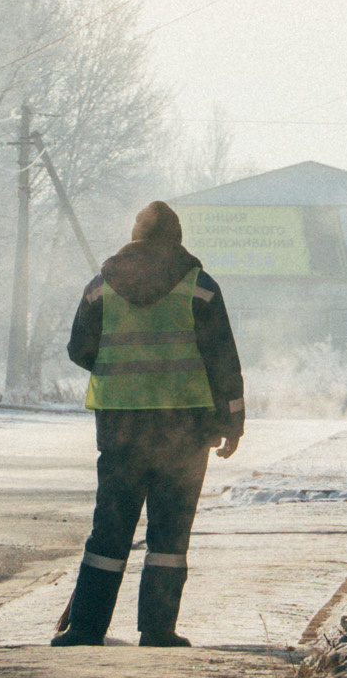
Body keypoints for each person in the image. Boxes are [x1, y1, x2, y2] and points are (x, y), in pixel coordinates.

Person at [55, 200, 246, 647]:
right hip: (185, 429)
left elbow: (78, 349)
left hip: (121, 427)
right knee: (169, 532)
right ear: (177, 238)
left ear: (136, 235)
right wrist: (232, 422)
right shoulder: (201, 287)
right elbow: (224, 361)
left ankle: (85, 628)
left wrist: (120, 370)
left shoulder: (102, 286)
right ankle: (158, 630)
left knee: (110, 527)